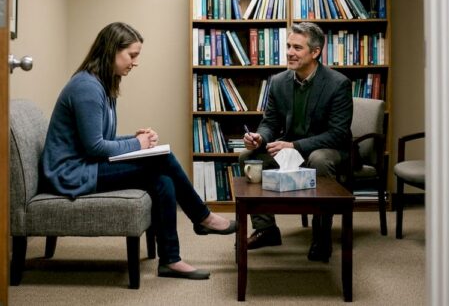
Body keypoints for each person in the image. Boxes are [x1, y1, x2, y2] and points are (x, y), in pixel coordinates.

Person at [42, 22, 236, 280]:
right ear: (111, 50)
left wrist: (136, 139)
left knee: (162, 179)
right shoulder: (86, 87)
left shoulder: (103, 85)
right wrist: (139, 145)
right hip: (71, 174)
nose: (135, 62)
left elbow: (102, 140)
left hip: (87, 166)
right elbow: (95, 147)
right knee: (163, 158)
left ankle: (171, 260)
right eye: (131, 55)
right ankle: (203, 217)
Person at [239, 22, 352, 262]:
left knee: (318, 159)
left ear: (315, 52)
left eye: (297, 48)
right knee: (249, 158)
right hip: (291, 149)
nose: (289, 52)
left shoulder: (338, 83)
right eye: (289, 46)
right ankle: (266, 229)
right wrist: (260, 137)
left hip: (329, 150)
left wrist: (294, 146)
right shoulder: (279, 81)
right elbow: (270, 122)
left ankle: (321, 237)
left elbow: (338, 133)